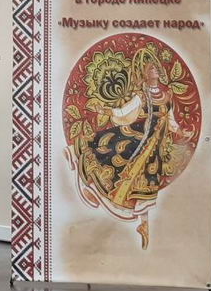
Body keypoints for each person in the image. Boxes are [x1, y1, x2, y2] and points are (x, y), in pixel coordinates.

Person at [77, 47, 183, 249]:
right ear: (144, 73)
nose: (155, 71)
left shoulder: (167, 95)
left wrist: (180, 131)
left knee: (148, 184)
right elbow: (123, 112)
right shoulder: (141, 96)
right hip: (141, 141)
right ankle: (93, 189)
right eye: (150, 69)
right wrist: (104, 110)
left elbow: (171, 120)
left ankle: (144, 224)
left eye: (155, 68)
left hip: (156, 147)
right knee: (118, 163)